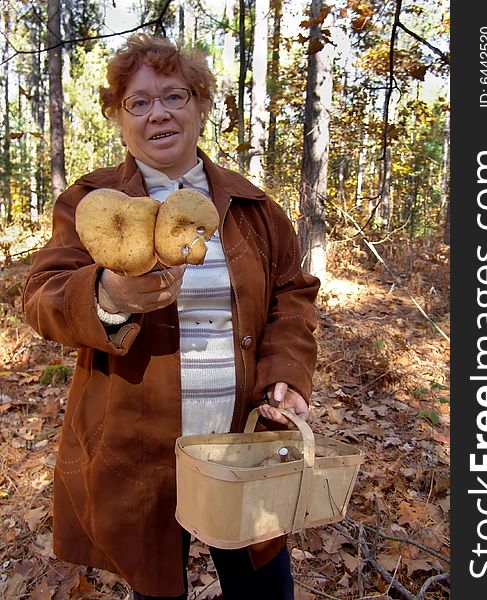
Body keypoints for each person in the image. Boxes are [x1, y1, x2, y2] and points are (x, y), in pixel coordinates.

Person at [23, 34, 320, 600]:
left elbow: (293, 294)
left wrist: (285, 370)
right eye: (138, 102)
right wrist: (105, 295)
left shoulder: (252, 208)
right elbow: (42, 295)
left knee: (262, 586)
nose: (158, 112)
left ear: (200, 106)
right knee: (157, 586)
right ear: (118, 117)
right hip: (141, 451)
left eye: (175, 96)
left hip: (240, 438)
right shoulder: (91, 202)